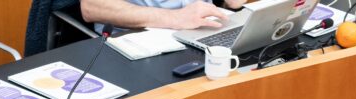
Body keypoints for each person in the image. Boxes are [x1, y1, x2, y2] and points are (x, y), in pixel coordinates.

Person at [81, 0, 243, 30]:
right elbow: (91, 7)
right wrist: (175, 18)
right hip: (140, 38)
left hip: (207, 28)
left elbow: (234, 3)